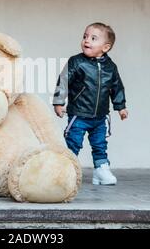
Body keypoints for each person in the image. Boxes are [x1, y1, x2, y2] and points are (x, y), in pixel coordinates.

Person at [53, 22, 128, 185]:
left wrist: (120, 107)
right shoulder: (76, 62)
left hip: (100, 116)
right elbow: (63, 81)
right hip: (79, 114)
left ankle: (101, 170)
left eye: (93, 38)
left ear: (106, 47)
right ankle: (65, 169)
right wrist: (59, 102)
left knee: (100, 144)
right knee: (73, 142)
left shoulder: (110, 67)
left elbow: (117, 87)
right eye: (85, 36)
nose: (87, 41)